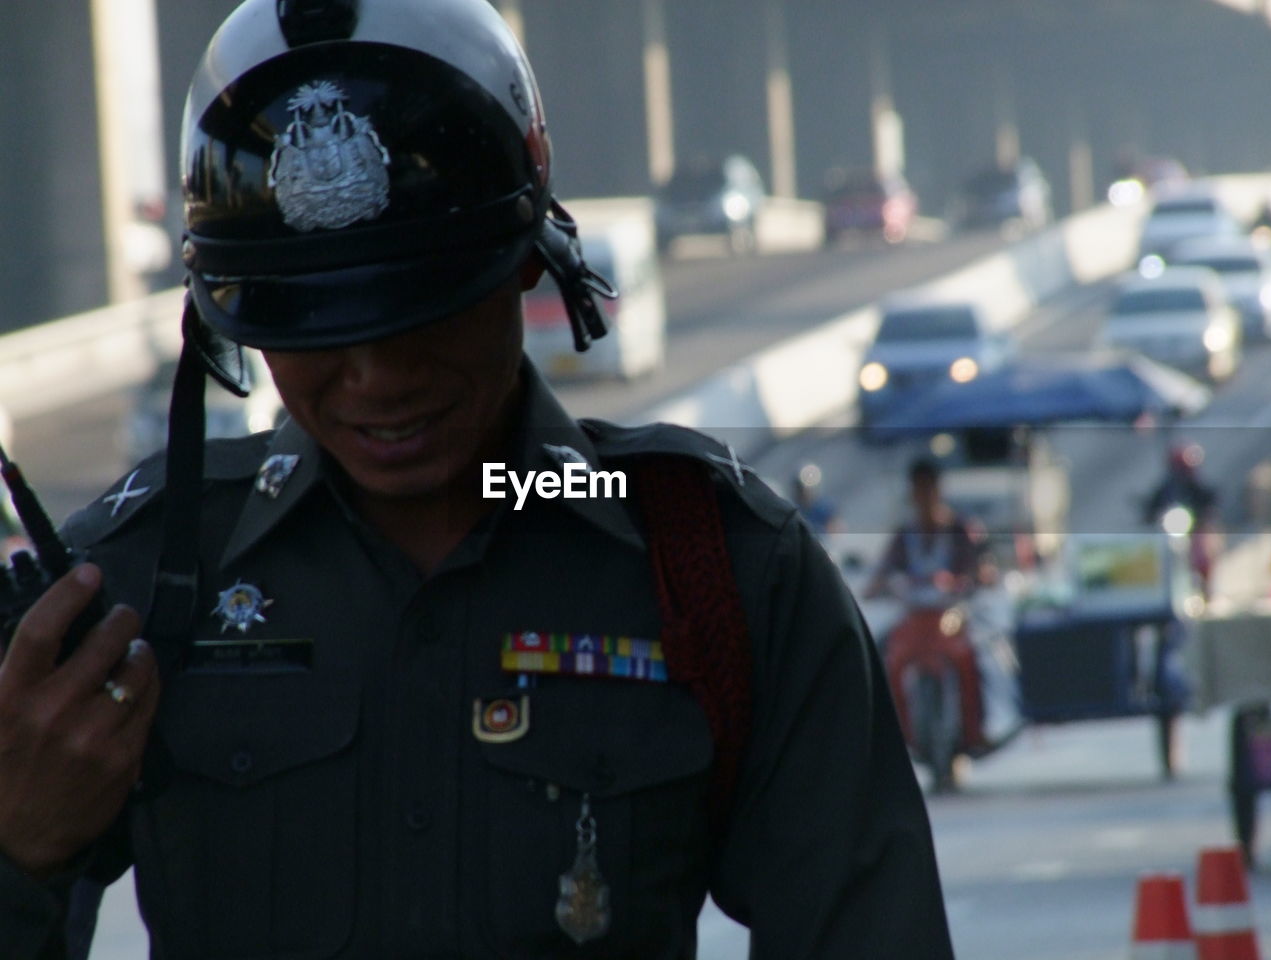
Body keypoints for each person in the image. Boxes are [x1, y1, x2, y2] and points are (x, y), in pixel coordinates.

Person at [0, 1, 954, 956]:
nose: (377, 379)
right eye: (317, 329)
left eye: (420, 310)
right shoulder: (119, 592)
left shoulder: (717, 570)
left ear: (530, 263)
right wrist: (21, 850)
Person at [866, 457, 994, 775]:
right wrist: (879, 585)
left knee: (973, 659)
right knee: (888, 662)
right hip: (913, 621)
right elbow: (881, 574)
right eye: (918, 489)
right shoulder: (903, 536)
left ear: (938, 489)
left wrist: (973, 579)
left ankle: (976, 733)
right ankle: (900, 739)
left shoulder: (960, 530)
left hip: (950, 618)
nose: (924, 495)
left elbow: (981, 568)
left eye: (929, 488)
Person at [1142, 441, 1220, 597]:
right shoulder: (1167, 486)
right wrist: (1150, 514)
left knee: (1203, 549)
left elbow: (1208, 499)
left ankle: (1206, 587)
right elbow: (1154, 503)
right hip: (1172, 531)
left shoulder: (1197, 485)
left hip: (1195, 527)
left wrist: (1205, 513)